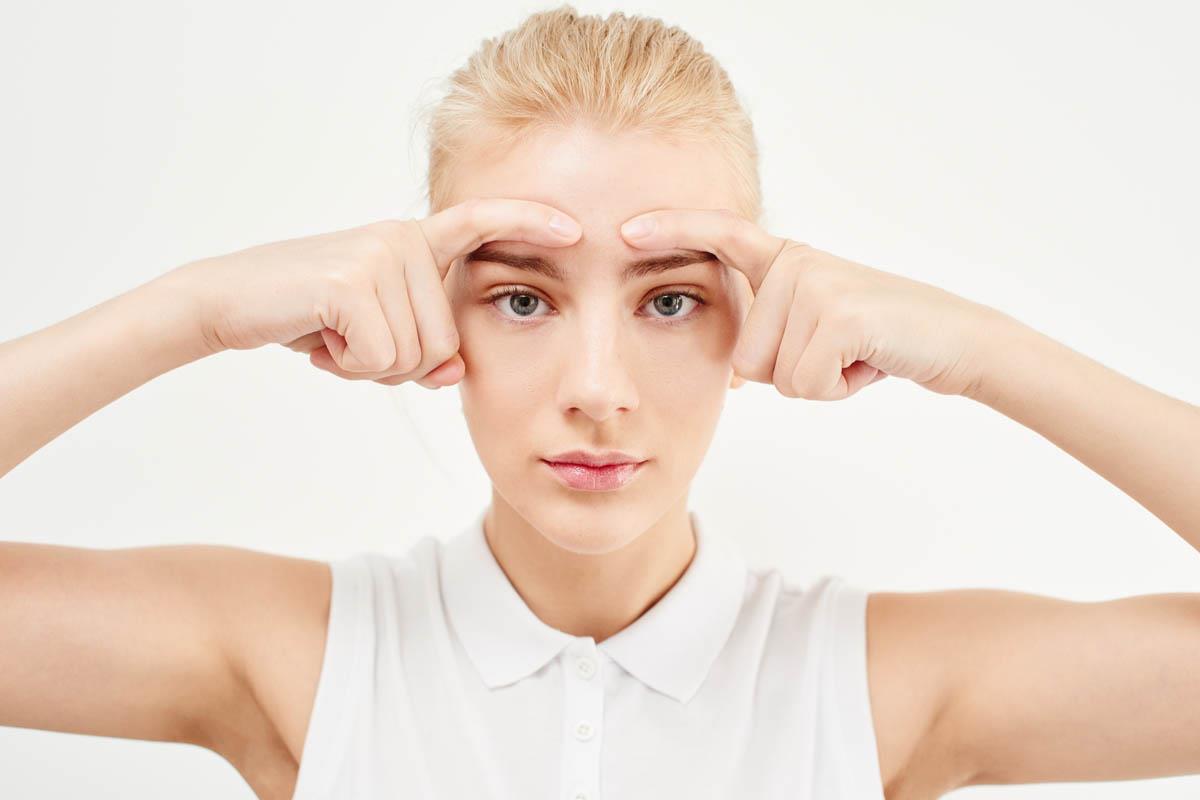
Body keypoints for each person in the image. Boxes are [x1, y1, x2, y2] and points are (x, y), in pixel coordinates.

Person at [2, 5, 1198, 799]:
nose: (596, 389)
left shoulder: (873, 682)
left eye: (670, 299)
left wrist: (982, 350)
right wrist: (197, 306)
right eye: (522, 297)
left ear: (757, 316)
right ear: (436, 311)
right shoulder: (301, 657)